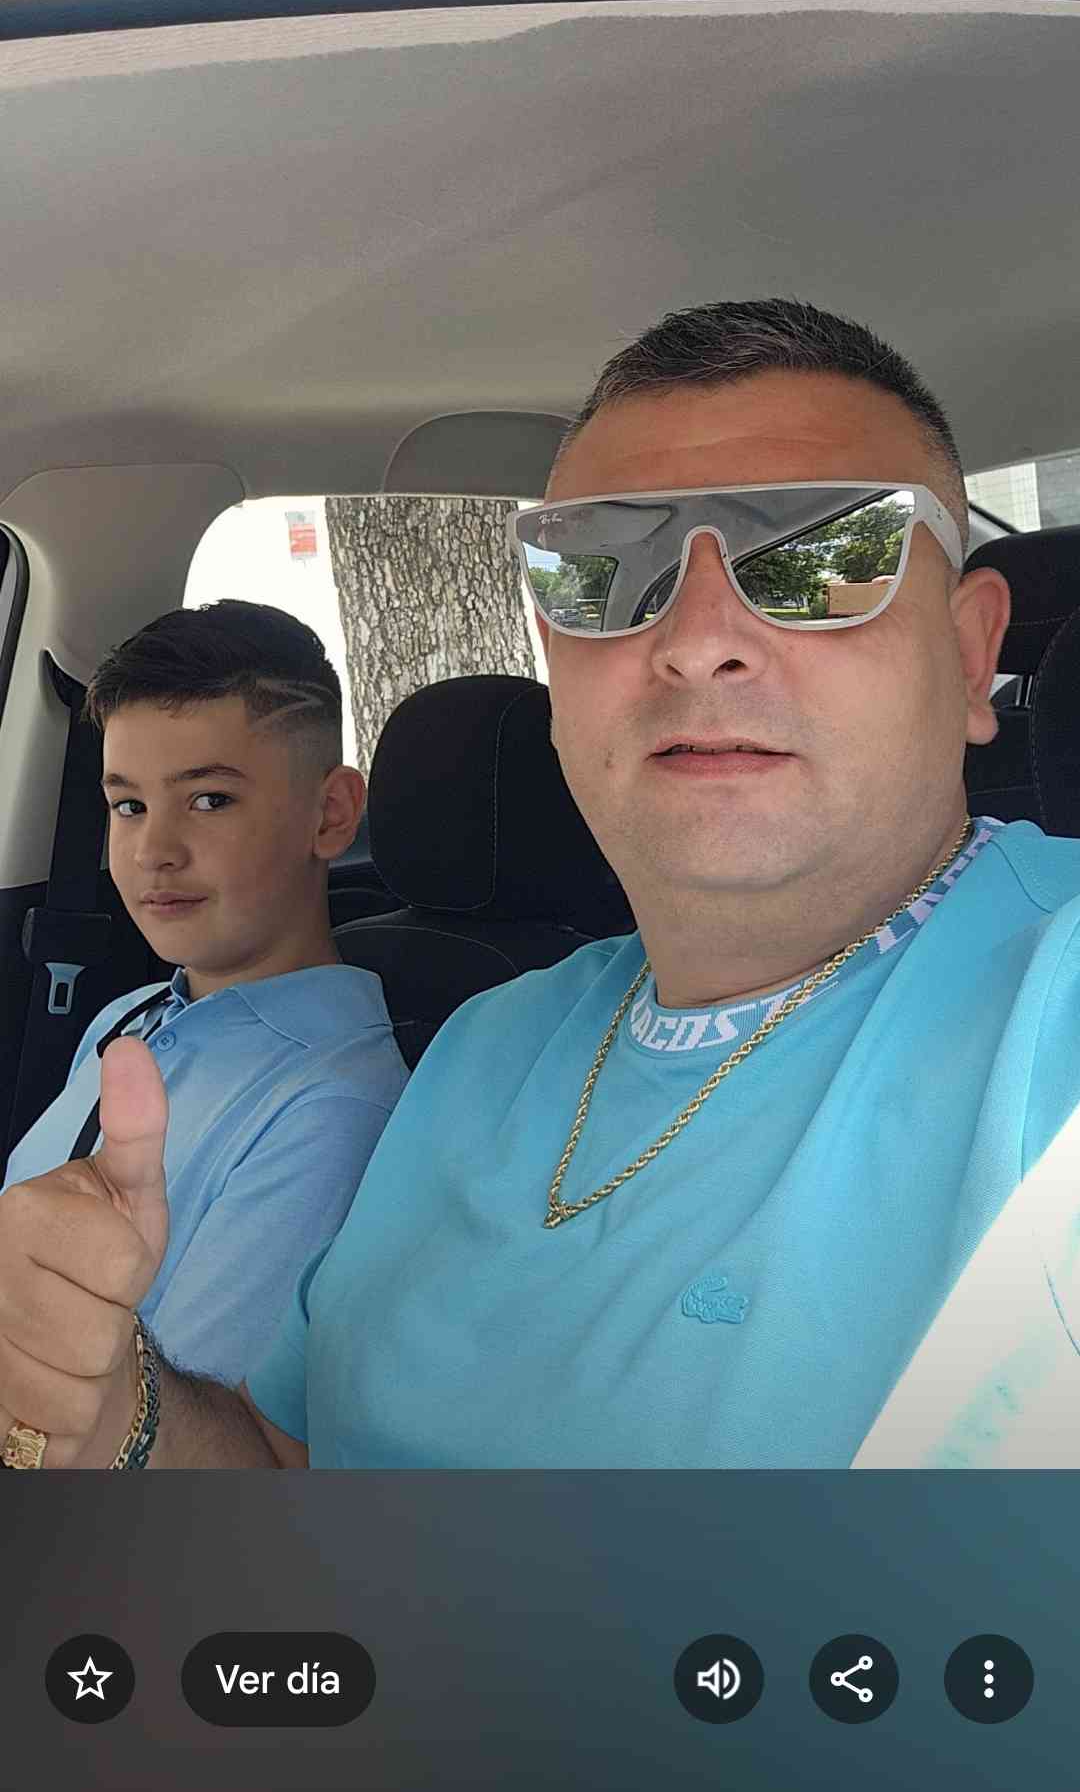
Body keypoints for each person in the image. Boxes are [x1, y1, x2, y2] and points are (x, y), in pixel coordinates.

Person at [5, 296, 1080, 1471]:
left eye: (820, 554)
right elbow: (288, 1458)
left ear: (970, 653)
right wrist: (116, 1407)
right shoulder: (485, 1044)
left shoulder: (1051, 1008)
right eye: (608, 569)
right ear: (554, 655)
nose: (696, 637)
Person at [0, 599, 406, 1393]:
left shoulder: (333, 1108)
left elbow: (179, 1427)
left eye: (210, 800)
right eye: (129, 806)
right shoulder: (128, 1016)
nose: (153, 851)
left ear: (330, 815)